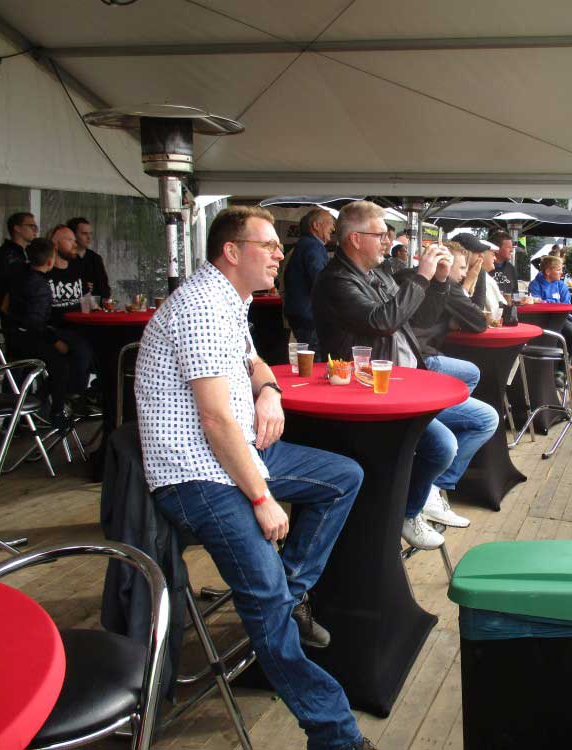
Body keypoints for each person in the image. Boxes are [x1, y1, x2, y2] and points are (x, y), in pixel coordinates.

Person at [135, 205, 377, 750]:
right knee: (264, 600)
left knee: (345, 476)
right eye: (267, 246)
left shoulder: (231, 300)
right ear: (231, 252)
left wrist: (268, 391)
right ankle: (334, 733)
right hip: (197, 475)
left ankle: (288, 598)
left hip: (237, 455)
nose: (279, 255)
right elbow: (216, 420)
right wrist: (263, 497)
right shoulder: (199, 306)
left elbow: (257, 364)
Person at [312, 201, 498, 550]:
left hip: (405, 383)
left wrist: (439, 280)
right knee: (442, 445)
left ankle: (423, 494)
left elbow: (417, 318)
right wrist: (423, 276)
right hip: (369, 394)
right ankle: (409, 510)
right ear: (354, 238)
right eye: (380, 234)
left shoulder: (378, 273)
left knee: (483, 418)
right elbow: (382, 322)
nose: (387, 241)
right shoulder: (335, 281)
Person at [394, 242, 499, 528]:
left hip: (416, 363)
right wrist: (469, 283)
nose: (463, 272)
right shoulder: (442, 286)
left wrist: (470, 279)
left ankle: (432, 486)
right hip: (421, 365)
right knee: (473, 375)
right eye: (461, 267)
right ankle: (433, 485)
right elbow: (478, 321)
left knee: (478, 406)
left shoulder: (417, 281)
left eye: (465, 267)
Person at [3, 238, 90, 428]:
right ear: (50, 261)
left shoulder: (19, 276)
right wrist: (54, 340)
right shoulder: (40, 286)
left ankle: (35, 402)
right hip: (28, 340)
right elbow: (36, 323)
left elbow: (5, 306)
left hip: (13, 337)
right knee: (62, 364)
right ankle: (56, 410)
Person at [283, 207, 335, 354]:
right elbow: (321, 280)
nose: (333, 227)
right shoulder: (313, 246)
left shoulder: (305, 244)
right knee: (314, 357)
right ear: (316, 225)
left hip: (301, 313)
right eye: (330, 223)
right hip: (309, 315)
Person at [0, 212, 37, 312]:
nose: (35, 230)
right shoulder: (0, 255)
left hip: (33, 312)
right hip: (15, 315)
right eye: (31, 226)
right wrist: (6, 309)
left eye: (36, 227)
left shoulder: (32, 253)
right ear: (17, 228)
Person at [529, 255, 572, 358]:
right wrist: (555, 302)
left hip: (560, 319)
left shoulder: (561, 285)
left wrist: (545, 301)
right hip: (540, 320)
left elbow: (566, 304)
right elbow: (535, 304)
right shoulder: (535, 284)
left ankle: (562, 368)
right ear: (548, 272)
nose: (562, 273)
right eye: (559, 270)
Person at [45, 225, 86, 326]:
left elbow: (85, 296)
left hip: (79, 329)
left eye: (75, 240)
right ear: (54, 244)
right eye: (69, 240)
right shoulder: (43, 272)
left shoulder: (77, 267)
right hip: (53, 331)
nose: (75, 244)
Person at [66, 217, 111, 299]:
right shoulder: (65, 258)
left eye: (90, 233)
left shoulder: (95, 258)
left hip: (95, 307)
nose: (89, 237)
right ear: (73, 235)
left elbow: (105, 288)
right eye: (84, 233)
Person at [489, 230, 517, 295]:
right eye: (508, 247)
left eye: (512, 247)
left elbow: (515, 294)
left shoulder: (511, 268)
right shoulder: (485, 268)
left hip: (508, 304)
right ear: (497, 250)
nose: (512, 250)